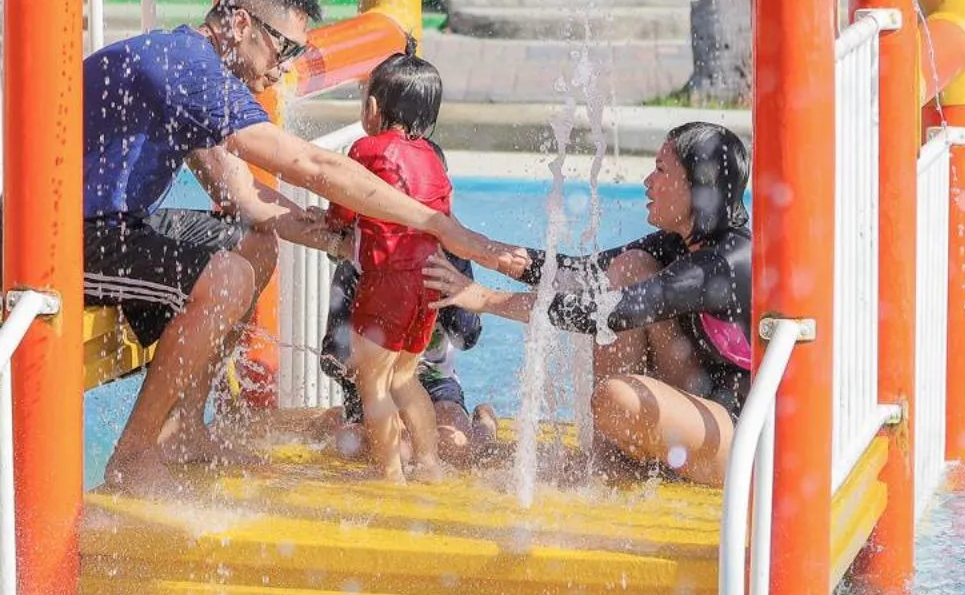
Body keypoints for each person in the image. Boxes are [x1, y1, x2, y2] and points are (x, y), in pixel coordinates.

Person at [0, 0, 524, 492]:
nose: (284, 68)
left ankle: (187, 428)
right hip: (43, 246)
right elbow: (314, 167)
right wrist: (438, 224)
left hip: (108, 226)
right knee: (227, 277)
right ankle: (133, 455)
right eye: (284, 48)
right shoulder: (186, 69)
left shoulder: (187, 68)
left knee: (253, 245)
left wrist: (341, 238)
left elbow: (244, 195)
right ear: (241, 24)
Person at [425, 121, 751, 486]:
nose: (648, 181)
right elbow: (581, 274)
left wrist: (486, 298)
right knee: (628, 267)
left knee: (615, 399)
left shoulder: (722, 265)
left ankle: (627, 459)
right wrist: (476, 247)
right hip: (692, 409)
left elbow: (606, 312)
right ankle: (606, 459)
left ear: (696, 186)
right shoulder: (683, 241)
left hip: (737, 444)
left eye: (660, 170)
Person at [321, 53, 457, 482]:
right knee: (404, 377)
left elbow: (344, 204)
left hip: (388, 281)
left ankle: (390, 476)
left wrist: (334, 228)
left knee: (373, 382)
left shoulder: (367, 149)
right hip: (429, 283)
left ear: (374, 108)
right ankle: (429, 464)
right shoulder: (434, 161)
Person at [321, 253, 500, 466]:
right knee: (395, 450)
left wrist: (449, 287)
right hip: (376, 384)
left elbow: (466, 337)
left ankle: (485, 425)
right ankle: (334, 421)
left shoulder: (447, 256)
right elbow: (331, 356)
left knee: (454, 448)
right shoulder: (358, 259)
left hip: (436, 381)